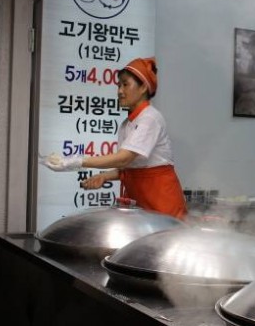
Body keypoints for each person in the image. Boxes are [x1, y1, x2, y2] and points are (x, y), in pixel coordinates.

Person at [44, 57, 187, 220]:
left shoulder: (150, 118)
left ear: (143, 88)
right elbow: (131, 168)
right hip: (144, 205)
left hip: (162, 204)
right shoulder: (127, 124)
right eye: (118, 85)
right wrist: (104, 176)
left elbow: (124, 159)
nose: (119, 91)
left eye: (125, 84)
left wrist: (77, 161)